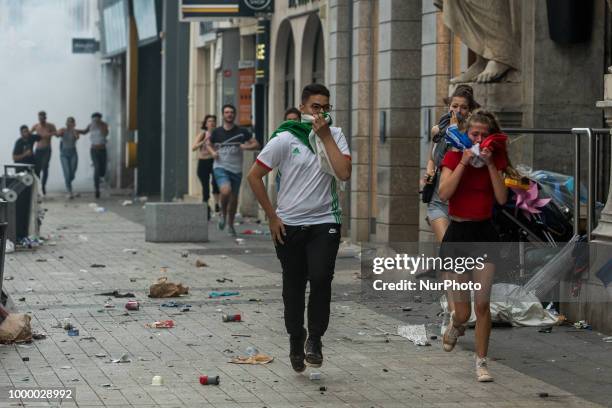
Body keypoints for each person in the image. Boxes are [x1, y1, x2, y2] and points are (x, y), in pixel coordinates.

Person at [247, 84, 351, 372]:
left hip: (325, 221)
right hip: (289, 225)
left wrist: (326, 136)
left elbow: (343, 173)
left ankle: (315, 339)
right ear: (303, 107)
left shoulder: (336, 136)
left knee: (320, 278)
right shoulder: (285, 138)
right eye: (316, 107)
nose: (321, 113)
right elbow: (254, 177)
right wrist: (271, 216)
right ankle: (297, 338)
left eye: (326, 108)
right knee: (293, 288)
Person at [437, 109, 508, 382]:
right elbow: (444, 194)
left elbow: (501, 198)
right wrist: (464, 162)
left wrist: (490, 165)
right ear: (466, 135)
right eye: (474, 133)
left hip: (484, 234)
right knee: (464, 312)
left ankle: (481, 361)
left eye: (483, 134)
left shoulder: (496, 159)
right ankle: (455, 324)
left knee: (482, 304)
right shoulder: (454, 156)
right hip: (459, 234)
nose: (479, 139)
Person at [207, 104, 259, 237]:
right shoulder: (216, 132)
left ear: (234, 115)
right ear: (223, 115)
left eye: (231, 112)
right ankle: (223, 214)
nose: (229, 114)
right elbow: (208, 144)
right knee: (225, 191)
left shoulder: (242, 132)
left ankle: (230, 224)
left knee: (234, 199)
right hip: (220, 167)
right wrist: (212, 152)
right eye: (226, 112)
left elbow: (256, 144)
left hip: (236, 170)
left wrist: (245, 147)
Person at [192, 114, 220, 219]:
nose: (211, 123)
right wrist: (203, 142)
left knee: (216, 183)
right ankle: (206, 207)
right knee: (205, 187)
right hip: (203, 162)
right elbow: (193, 147)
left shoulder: (218, 134)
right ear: (206, 123)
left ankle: (217, 205)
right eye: (209, 121)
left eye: (213, 121)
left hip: (214, 161)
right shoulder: (203, 134)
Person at [79, 112, 109, 199]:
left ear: (100, 119)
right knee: (97, 167)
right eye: (94, 119)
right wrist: (76, 130)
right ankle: (97, 189)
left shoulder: (104, 125)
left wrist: (100, 125)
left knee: (102, 170)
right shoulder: (90, 125)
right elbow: (84, 132)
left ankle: (100, 178)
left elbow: (105, 134)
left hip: (102, 149)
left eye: (97, 119)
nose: (95, 120)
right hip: (94, 150)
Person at [31, 111, 57, 195]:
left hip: (47, 149)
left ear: (45, 118)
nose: (41, 120)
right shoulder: (36, 126)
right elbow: (29, 135)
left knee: (45, 167)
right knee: (37, 170)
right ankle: (38, 187)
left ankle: (43, 186)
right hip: (38, 150)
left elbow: (56, 134)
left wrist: (49, 134)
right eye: (40, 118)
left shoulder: (50, 126)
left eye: (42, 118)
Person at [56, 117, 81, 199]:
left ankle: (69, 186)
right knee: (67, 173)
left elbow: (77, 137)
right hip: (64, 154)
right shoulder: (63, 130)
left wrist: (73, 131)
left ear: (74, 124)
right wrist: (59, 133)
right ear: (66, 123)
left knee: (72, 174)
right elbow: (57, 134)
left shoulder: (75, 131)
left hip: (73, 153)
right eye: (68, 122)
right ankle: (69, 191)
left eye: (71, 122)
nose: (69, 124)